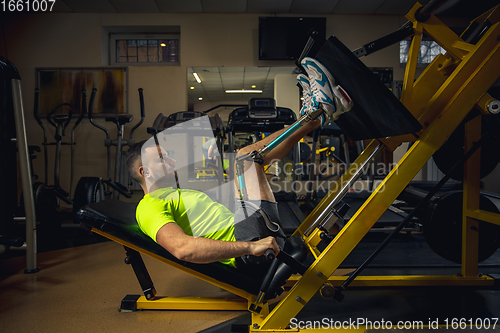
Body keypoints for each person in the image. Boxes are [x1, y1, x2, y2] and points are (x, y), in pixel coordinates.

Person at [125, 57, 353, 275]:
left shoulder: (172, 194)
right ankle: (318, 112)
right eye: (163, 158)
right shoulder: (149, 207)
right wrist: (248, 247)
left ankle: (317, 113)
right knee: (245, 158)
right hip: (252, 251)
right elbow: (183, 249)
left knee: (243, 161)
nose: (172, 160)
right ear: (145, 172)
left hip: (247, 230)